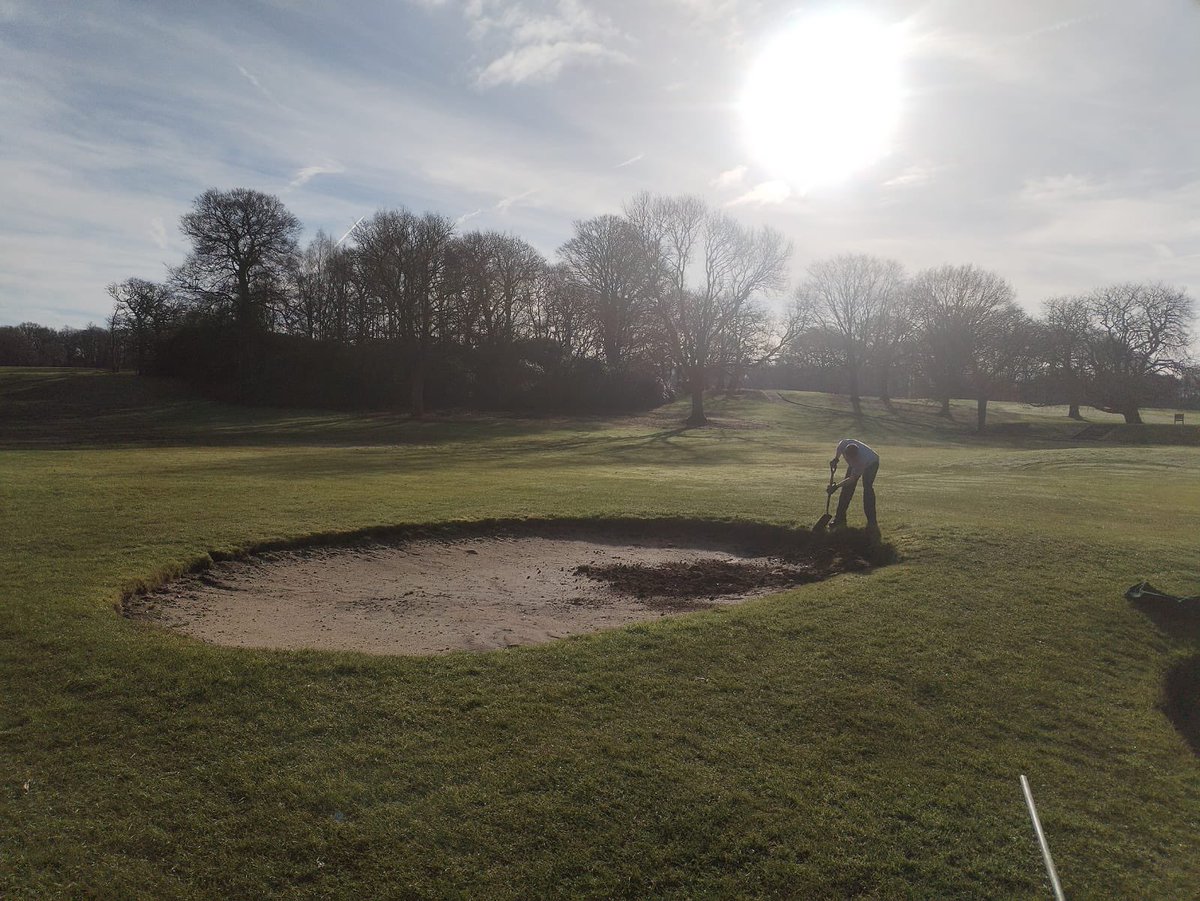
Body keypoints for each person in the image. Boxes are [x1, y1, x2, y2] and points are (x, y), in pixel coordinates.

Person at [828, 438, 880, 529]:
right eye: (848, 458)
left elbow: (852, 479)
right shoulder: (843, 444)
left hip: (872, 462)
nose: (850, 460)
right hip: (857, 462)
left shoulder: (860, 461)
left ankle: (872, 521)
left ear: (856, 456)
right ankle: (839, 518)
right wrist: (836, 459)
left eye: (852, 458)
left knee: (867, 488)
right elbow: (839, 448)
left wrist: (836, 486)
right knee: (846, 490)